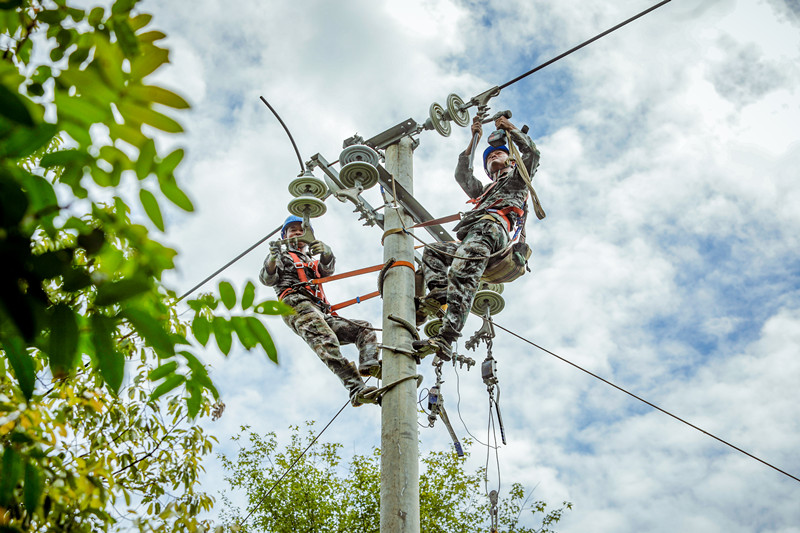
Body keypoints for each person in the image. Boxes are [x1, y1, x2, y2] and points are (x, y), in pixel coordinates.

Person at [413, 114, 541, 359]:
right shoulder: (485, 191)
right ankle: (439, 293)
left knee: (462, 274)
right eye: (489, 156)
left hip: (491, 231)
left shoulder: (517, 180)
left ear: (512, 159)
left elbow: (533, 155)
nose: (493, 155)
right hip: (474, 234)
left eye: (498, 153)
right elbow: (462, 176)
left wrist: (511, 130)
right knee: (433, 251)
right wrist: (474, 140)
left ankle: (447, 337)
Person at [259, 215, 381, 407]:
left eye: (301, 229)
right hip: (295, 304)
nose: (298, 233)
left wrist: (326, 253)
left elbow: (327, 269)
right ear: (285, 235)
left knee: (363, 328)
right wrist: (273, 257)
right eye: (293, 230)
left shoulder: (311, 262)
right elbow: (267, 278)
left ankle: (369, 364)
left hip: (321, 311)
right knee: (326, 341)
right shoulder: (281, 257)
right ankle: (356, 388)